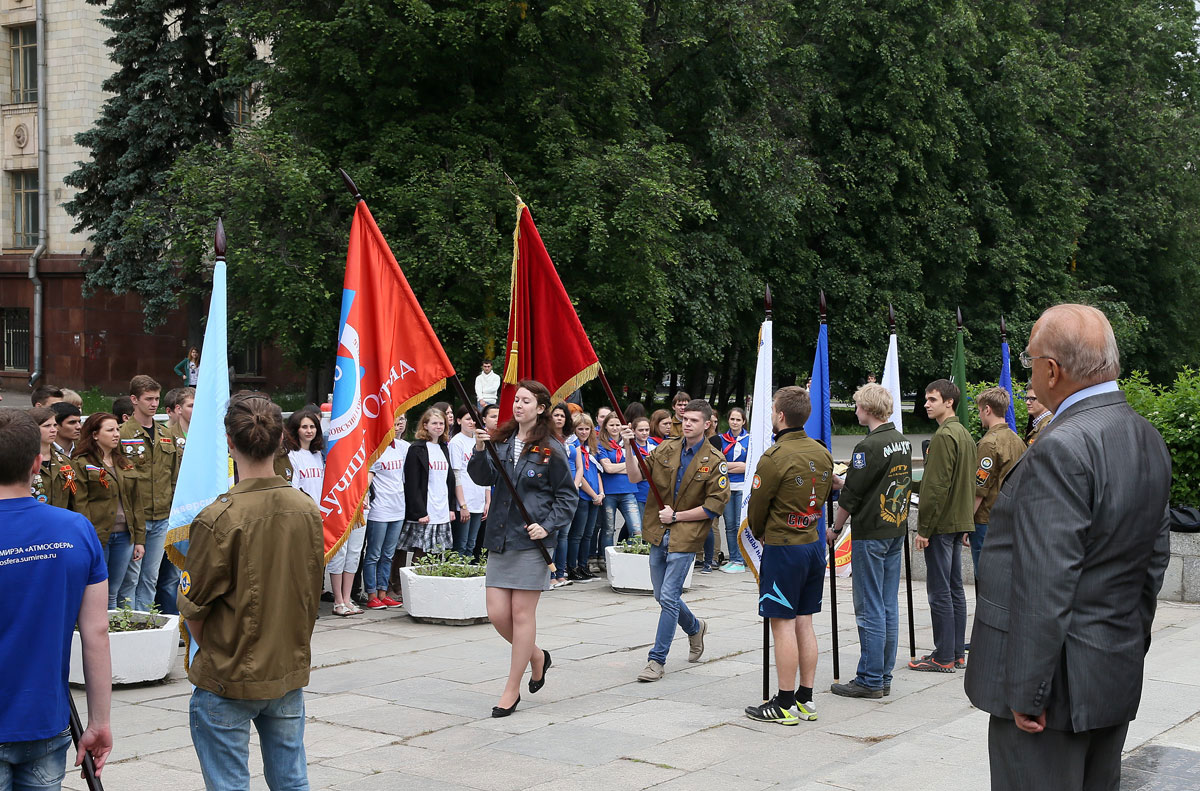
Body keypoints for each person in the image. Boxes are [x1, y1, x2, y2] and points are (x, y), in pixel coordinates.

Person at [965, 304, 1172, 791]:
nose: (1028, 373)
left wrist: (1027, 690)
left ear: (1052, 369)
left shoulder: (1062, 446)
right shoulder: (1146, 436)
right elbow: (1152, 564)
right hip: (1109, 674)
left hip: (1051, 698)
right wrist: (1124, 649)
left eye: (1030, 360)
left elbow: (1044, 582)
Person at [178, 392, 324, 791]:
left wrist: (222, 652)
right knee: (292, 780)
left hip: (230, 675)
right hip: (284, 668)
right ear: (282, 441)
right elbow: (311, 592)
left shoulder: (218, 517)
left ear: (229, 442)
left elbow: (194, 609)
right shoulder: (306, 508)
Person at [0, 410, 113, 788]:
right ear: (37, 462)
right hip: (44, 720)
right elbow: (96, 632)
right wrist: (99, 722)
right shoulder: (75, 529)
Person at [467, 380, 576, 716]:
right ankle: (537, 656)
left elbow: (567, 496)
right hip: (500, 537)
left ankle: (511, 690)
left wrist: (547, 525)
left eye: (526, 401)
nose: (518, 406)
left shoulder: (551, 449)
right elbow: (481, 477)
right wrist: (480, 449)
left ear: (540, 408)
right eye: (516, 400)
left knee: (521, 614)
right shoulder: (500, 440)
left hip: (531, 542)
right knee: (498, 614)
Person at [741, 386, 833, 724]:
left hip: (784, 547)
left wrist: (762, 531)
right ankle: (806, 698)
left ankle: (783, 702)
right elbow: (823, 496)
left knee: (782, 624)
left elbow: (757, 509)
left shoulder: (775, 456)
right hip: (812, 543)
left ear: (780, 415)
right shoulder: (822, 452)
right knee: (806, 621)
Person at [622, 399, 729, 682]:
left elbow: (713, 506)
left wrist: (678, 516)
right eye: (685, 419)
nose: (687, 424)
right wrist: (627, 447)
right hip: (659, 531)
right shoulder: (666, 449)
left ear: (707, 424)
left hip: (686, 534)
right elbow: (635, 476)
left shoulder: (715, 460)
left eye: (694, 420)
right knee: (661, 595)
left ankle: (656, 660)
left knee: (669, 596)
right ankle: (695, 627)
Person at [828, 384, 912, 699]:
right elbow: (880, 480)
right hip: (894, 529)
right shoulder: (901, 442)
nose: (855, 410)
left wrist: (835, 528)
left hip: (871, 531)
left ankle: (870, 678)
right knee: (888, 604)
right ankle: (883, 674)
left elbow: (852, 495)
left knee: (869, 607)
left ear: (867, 409)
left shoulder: (868, 446)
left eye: (857, 406)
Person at [909, 379, 975, 673]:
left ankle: (943, 656)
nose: (926, 404)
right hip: (957, 520)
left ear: (949, 402)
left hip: (941, 523)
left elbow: (934, 487)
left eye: (932, 399)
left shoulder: (944, 436)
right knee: (954, 588)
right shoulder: (964, 434)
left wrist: (924, 529)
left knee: (940, 591)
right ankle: (957, 652)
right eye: (926, 398)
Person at [117, 375, 181, 613]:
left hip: (162, 514)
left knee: (150, 577)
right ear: (134, 400)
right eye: (148, 399)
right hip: (136, 518)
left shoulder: (166, 434)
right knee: (130, 578)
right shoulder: (122, 433)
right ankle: (128, 624)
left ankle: (146, 623)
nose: (154, 404)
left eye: (156, 399)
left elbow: (173, 475)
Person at [72, 413, 145, 609]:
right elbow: (80, 504)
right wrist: (88, 536)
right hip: (97, 535)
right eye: (110, 430)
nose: (116, 434)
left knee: (114, 591)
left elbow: (136, 503)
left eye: (117, 429)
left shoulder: (125, 462)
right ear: (95, 434)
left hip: (124, 536)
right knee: (96, 590)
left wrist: (139, 539)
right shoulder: (81, 463)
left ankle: (111, 635)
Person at [970, 387, 1025, 575]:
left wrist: (968, 522)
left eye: (979, 410)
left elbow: (980, 488)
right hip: (1011, 516)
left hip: (987, 519)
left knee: (985, 577)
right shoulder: (1018, 441)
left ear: (987, 409)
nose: (979, 415)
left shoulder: (988, 443)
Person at [397, 407, 456, 566]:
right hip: (425, 510)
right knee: (421, 552)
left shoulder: (444, 448)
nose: (439, 427)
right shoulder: (417, 449)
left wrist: (451, 508)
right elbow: (412, 483)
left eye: (441, 423)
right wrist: (420, 512)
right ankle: (411, 585)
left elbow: (449, 480)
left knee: (438, 552)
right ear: (425, 425)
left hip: (442, 508)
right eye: (434, 423)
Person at [364, 412, 408, 610]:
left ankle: (383, 592)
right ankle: (371, 594)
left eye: (400, 422)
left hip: (398, 509)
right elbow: (368, 478)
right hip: (379, 510)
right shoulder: (375, 449)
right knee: (373, 554)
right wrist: (364, 496)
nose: (397, 426)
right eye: (393, 423)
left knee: (388, 555)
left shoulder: (401, 448)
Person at [597, 411, 642, 550]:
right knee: (609, 529)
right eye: (611, 425)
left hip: (628, 490)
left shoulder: (629, 442)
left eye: (618, 425)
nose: (615, 428)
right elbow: (608, 468)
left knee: (636, 529)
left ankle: (631, 555)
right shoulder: (601, 443)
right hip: (609, 492)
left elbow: (636, 464)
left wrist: (620, 467)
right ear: (605, 427)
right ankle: (606, 560)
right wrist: (627, 466)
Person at [567, 413, 603, 581]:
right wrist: (594, 494)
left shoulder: (591, 448)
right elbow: (579, 475)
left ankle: (584, 565)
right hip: (583, 495)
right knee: (577, 534)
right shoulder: (574, 448)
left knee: (589, 534)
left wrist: (601, 493)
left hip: (595, 496)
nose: (583, 432)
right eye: (580, 429)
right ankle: (572, 566)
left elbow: (597, 472)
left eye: (587, 429)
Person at [450, 405, 489, 557]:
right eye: (468, 419)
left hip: (479, 500)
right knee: (461, 545)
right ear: (459, 421)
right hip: (464, 502)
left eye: (475, 419)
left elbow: (485, 472)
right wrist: (462, 504)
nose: (472, 422)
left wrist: (487, 501)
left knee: (472, 545)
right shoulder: (456, 442)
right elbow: (456, 475)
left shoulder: (479, 441)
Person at [717, 407, 749, 573]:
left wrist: (727, 466)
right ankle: (734, 557)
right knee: (729, 525)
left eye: (738, 419)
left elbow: (749, 466)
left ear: (744, 421)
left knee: (739, 524)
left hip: (743, 487)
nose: (735, 422)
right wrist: (738, 466)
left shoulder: (749, 439)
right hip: (726, 487)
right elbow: (718, 464)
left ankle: (741, 559)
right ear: (728, 420)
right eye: (732, 419)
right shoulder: (721, 439)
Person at [548, 403, 576, 588]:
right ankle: (549, 575)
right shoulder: (545, 439)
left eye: (562, 416)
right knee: (551, 535)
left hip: (567, 491)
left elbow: (578, 464)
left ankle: (560, 572)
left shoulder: (569, 440)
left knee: (563, 536)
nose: (559, 418)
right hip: (552, 493)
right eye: (555, 415)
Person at [28, 407, 75, 510]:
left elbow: (73, 498)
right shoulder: (23, 461)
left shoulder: (64, 461)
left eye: (54, 425)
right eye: (47, 426)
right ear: (32, 428)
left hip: (60, 520)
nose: (54, 430)